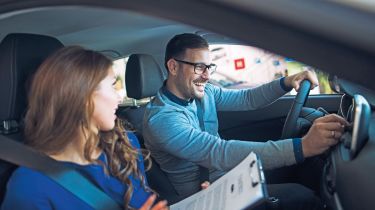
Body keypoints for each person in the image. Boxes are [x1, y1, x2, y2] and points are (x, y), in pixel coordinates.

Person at [143, 33, 348, 210]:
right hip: (205, 197)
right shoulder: (162, 119)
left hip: (229, 179)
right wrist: (304, 146)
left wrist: (286, 82)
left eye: (209, 67)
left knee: (305, 172)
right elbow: (219, 151)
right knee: (303, 197)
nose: (206, 76)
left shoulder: (204, 93)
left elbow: (247, 99)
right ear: (173, 66)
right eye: (198, 67)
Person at [1, 46, 168, 210]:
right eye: (112, 85)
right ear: (83, 96)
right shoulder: (29, 187)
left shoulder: (124, 143)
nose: (119, 97)